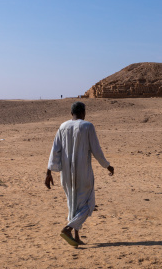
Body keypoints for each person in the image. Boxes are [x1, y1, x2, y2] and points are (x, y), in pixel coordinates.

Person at [45, 101, 114, 247]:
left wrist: (48, 172)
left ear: (71, 113)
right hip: (83, 173)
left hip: (66, 174)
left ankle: (76, 237)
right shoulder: (87, 126)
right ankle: (68, 229)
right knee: (89, 203)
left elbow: (54, 150)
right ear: (83, 112)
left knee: (72, 203)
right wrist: (107, 166)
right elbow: (96, 150)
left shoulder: (63, 126)